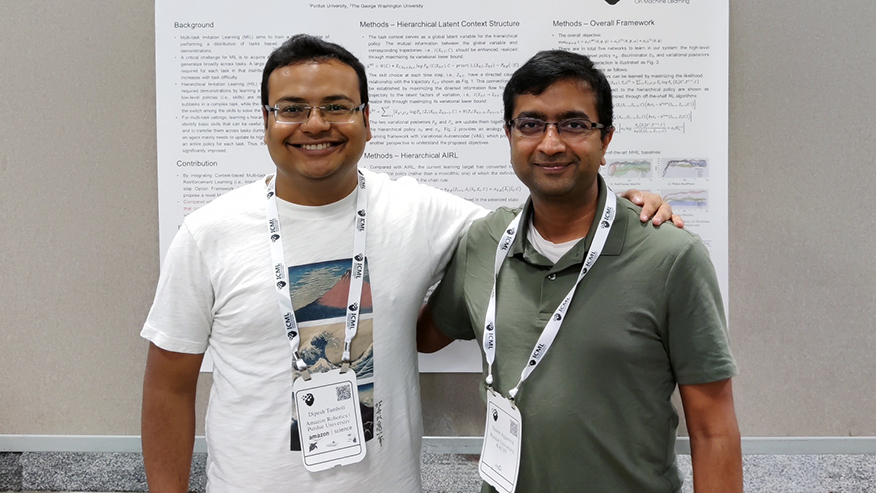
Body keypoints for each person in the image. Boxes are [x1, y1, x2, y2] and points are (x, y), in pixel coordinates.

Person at [140, 35, 679, 492]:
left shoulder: (416, 210)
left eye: (336, 106)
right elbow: (168, 386)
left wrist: (624, 205)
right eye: (291, 108)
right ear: (266, 122)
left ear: (366, 120)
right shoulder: (209, 233)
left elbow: (540, 217)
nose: (314, 123)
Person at [418, 50, 741, 493]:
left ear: (605, 140)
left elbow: (714, 430)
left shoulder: (671, 256)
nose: (551, 144)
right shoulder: (484, 242)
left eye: (573, 125)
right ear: (509, 135)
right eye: (530, 125)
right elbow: (421, 335)